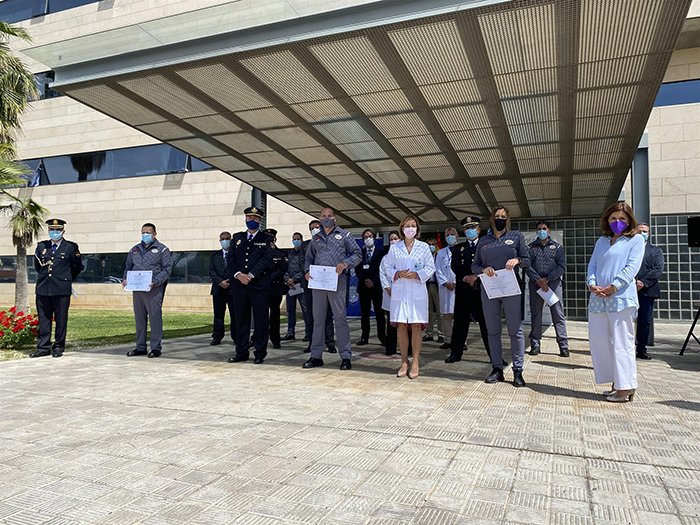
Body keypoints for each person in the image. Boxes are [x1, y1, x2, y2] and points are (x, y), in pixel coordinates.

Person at [587, 202, 645, 402]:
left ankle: (625, 388)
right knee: (600, 341)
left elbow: (632, 268)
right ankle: (615, 381)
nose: (617, 222)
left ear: (629, 220)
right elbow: (593, 265)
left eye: (622, 218)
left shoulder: (636, 240)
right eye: (613, 218)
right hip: (598, 298)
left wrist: (614, 286)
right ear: (607, 220)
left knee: (622, 342)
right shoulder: (602, 241)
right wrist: (592, 284)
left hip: (620, 298)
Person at [472, 206, 531, 387]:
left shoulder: (516, 237)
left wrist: (517, 260)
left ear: (507, 219)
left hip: (511, 288)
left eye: (503, 216)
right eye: (496, 216)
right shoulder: (483, 241)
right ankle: (497, 369)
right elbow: (474, 266)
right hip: (490, 289)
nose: (499, 218)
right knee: (493, 330)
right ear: (491, 219)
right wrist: (483, 269)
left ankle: (518, 371)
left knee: (515, 330)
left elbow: (527, 260)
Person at [302, 207, 361, 370]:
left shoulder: (344, 235)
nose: (326, 218)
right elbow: (308, 258)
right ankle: (316, 356)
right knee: (318, 319)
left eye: (329, 216)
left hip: (337, 281)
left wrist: (345, 264)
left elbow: (357, 254)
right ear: (320, 219)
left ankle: (345, 357)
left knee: (340, 319)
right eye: (323, 216)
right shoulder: (316, 238)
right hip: (319, 282)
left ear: (334, 218)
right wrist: (307, 271)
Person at [382, 215, 435, 379]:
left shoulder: (424, 247)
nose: (410, 228)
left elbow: (430, 267)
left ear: (417, 229)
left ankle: (416, 361)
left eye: (413, 226)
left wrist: (418, 274)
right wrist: (397, 273)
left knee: (416, 325)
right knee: (401, 326)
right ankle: (404, 361)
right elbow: (387, 267)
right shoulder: (395, 248)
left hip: (417, 290)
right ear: (402, 229)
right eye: (407, 226)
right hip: (400, 290)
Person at [227, 207, 274, 364]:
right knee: (241, 319)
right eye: (249, 218)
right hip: (239, 285)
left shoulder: (266, 238)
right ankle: (241, 351)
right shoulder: (238, 237)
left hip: (259, 285)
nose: (251, 220)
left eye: (255, 218)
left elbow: (267, 259)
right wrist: (238, 275)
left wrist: (251, 275)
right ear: (245, 219)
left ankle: (260, 352)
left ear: (260, 221)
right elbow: (231, 258)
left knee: (261, 320)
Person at [31, 218, 83, 358]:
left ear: (63, 231)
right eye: (52, 230)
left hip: (61, 288)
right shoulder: (42, 246)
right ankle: (43, 347)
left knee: (61, 319)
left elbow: (77, 267)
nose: (55, 232)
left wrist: (65, 279)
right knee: (44, 319)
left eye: (58, 230)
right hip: (43, 287)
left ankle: (59, 347)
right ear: (48, 231)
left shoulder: (71, 247)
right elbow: (38, 266)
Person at [446, 217, 492, 364]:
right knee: (460, 322)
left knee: (486, 323)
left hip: (482, 289)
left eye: (473, 227)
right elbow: (455, 265)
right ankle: (456, 353)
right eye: (467, 228)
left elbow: (489, 264)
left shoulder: (486, 246)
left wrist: (476, 277)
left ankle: (494, 355)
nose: (470, 230)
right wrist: (466, 277)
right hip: (464, 289)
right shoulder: (460, 248)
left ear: (479, 229)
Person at [123, 223, 172, 358]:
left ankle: (156, 347)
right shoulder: (134, 250)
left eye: (148, 232)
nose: (145, 234)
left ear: (154, 234)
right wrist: (125, 279)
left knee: (155, 318)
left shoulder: (162, 250)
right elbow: (128, 266)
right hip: (137, 289)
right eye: (143, 232)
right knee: (139, 319)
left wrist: (154, 282)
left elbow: (167, 269)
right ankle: (140, 346)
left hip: (153, 289)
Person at [525, 220, 569, 357]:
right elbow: (527, 266)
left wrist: (548, 279)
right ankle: (535, 345)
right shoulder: (530, 248)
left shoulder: (557, 247)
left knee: (558, 314)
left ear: (549, 231)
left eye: (544, 228)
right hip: (535, 284)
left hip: (553, 284)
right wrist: (538, 280)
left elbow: (561, 267)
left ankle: (563, 346)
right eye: (539, 229)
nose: (542, 231)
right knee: (536, 314)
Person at [301, 220, 336, 354]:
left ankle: (330, 343)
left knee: (326, 315)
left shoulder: (328, 242)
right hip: (310, 284)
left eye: (317, 227)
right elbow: (302, 261)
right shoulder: (305, 245)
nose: (315, 229)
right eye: (312, 228)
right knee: (311, 315)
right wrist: (306, 273)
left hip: (325, 284)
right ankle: (312, 343)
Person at [635, 222, 664, 360]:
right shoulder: (630, 249)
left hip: (647, 291)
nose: (643, 233)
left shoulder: (655, 251)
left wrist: (642, 283)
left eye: (645, 231)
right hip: (629, 289)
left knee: (644, 321)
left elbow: (658, 270)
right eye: (640, 230)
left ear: (649, 234)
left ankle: (641, 349)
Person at [355, 228, 386, 347]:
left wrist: (374, 281)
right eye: (366, 237)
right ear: (363, 240)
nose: (368, 239)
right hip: (364, 287)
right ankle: (364, 337)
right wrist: (365, 280)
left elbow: (382, 269)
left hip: (376, 286)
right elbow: (357, 269)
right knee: (365, 313)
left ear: (374, 238)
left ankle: (382, 337)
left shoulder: (380, 252)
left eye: (370, 236)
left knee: (379, 313)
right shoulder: (359, 253)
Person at [209, 231, 235, 346]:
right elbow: (211, 271)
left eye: (227, 239)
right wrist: (220, 282)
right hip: (218, 289)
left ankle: (236, 336)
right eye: (223, 239)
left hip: (232, 289)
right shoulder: (215, 255)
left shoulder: (235, 254)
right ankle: (217, 336)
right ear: (220, 241)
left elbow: (237, 270)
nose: (225, 241)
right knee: (218, 315)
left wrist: (228, 281)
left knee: (235, 315)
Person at [264, 228, 289, 349]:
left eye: (271, 237)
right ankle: (258, 338)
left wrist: (268, 278)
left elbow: (282, 269)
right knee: (260, 314)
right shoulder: (259, 253)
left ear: (275, 239)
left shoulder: (280, 253)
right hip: (261, 288)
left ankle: (275, 339)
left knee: (274, 314)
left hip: (275, 287)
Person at [435, 228, 458, 350]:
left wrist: (456, 282)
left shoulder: (461, 250)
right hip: (445, 288)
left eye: (452, 235)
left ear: (457, 236)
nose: (450, 237)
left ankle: (461, 341)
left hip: (458, 286)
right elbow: (437, 269)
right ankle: (448, 340)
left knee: (459, 315)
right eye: (447, 235)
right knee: (446, 315)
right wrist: (445, 282)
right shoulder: (441, 252)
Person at [380, 230, 401, 356]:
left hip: (403, 293)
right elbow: (382, 274)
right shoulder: (385, 258)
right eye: (391, 239)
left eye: (396, 238)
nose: (393, 241)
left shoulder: (405, 255)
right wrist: (387, 288)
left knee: (405, 323)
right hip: (390, 294)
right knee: (391, 323)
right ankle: (391, 348)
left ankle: (408, 348)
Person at [283, 232, 306, 341]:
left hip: (301, 285)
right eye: (294, 239)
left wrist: (295, 279)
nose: (295, 241)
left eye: (298, 239)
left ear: (302, 240)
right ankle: (290, 332)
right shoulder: (289, 254)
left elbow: (304, 269)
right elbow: (285, 269)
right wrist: (288, 280)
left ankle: (308, 333)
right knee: (290, 310)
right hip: (290, 287)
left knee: (305, 310)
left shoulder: (304, 253)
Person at [423, 237, 443, 343]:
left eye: (433, 244)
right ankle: (429, 333)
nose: (431, 246)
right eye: (428, 244)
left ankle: (441, 334)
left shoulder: (439, 256)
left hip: (437, 285)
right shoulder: (423, 257)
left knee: (440, 311)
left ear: (436, 245)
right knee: (428, 311)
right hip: (427, 285)